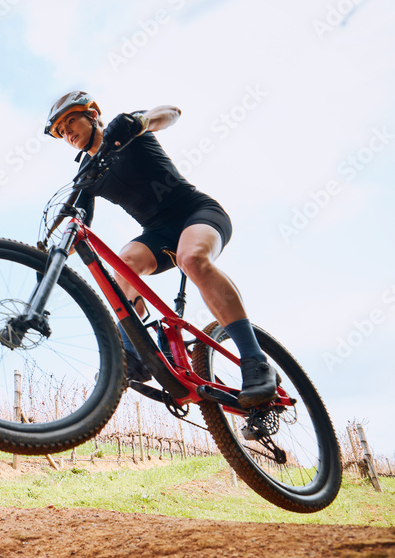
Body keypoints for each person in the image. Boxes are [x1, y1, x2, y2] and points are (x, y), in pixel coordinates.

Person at [44, 90, 278, 407]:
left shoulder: (123, 130)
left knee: (192, 258)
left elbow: (171, 112)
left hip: (197, 213)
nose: (68, 132)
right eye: (61, 130)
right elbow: (81, 223)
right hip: (158, 234)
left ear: (93, 114)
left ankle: (255, 359)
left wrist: (140, 122)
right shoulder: (88, 173)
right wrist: (48, 257)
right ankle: (133, 351)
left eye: (71, 120)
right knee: (122, 264)